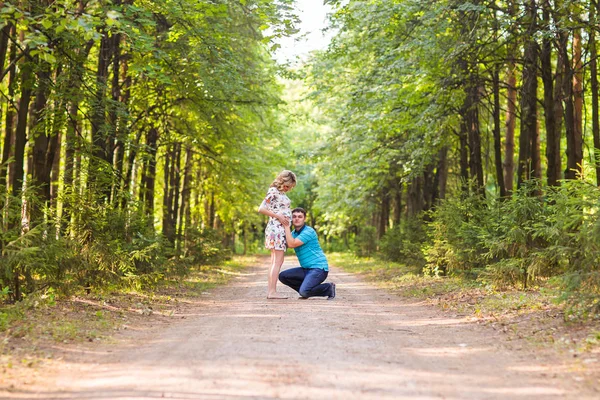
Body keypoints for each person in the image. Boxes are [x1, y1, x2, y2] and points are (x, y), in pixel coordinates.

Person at [278, 207, 336, 300]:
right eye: (294, 216)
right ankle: (306, 289)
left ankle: (328, 288)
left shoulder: (309, 231)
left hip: (318, 269)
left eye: (300, 217)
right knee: (283, 276)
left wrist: (286, 226)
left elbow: (292, 244)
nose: (297, 218)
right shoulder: (293, 234)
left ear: (304, 219)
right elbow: (284, 245)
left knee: (304, 292)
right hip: (306, 269)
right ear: (291, 219)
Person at [258, 170, 297, 299]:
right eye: (287, 186)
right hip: (276, 229)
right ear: (282, 181)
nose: (288, 189)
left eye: (290, 187)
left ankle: (271, 291)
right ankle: (272, 292)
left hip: (279, 229)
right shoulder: (273, 191)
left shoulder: (280, 193)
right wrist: (278, 216)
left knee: (275, 261)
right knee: (277, 261)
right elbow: (261, 208)